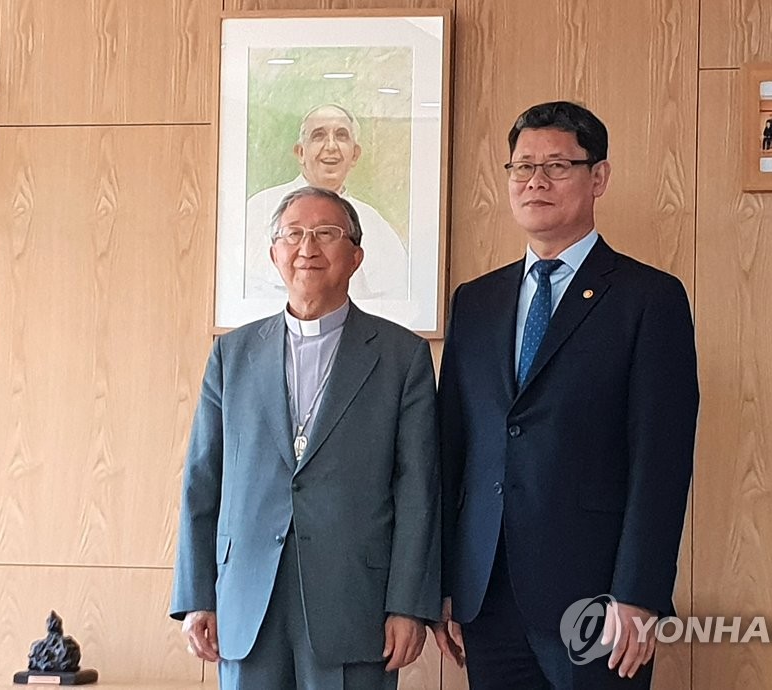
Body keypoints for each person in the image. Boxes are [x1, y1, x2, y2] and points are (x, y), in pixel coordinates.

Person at [433, 101, 699, 689]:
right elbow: (453, 452)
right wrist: (446, 582)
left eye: (556, 165)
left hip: (598, 600)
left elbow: (661, 460)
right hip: (487, 594)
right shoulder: (475, 302)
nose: (534, 181)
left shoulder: (648, 298)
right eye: (522, 166)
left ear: (598, 177)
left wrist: (640, 593)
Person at [171, 186, 440, 689]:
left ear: (356, 256)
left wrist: (409, 603)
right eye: (292, 234)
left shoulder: (402, 357)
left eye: (326, 234)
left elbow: (418, 491)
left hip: (356, 600)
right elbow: (202, 483)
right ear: (275, 254)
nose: (307, 247)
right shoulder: (232, 356)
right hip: (246, 600)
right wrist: (196, 595)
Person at [244, 104, 408, 300]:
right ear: (301, 152)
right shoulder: (259, 210)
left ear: (354, 154)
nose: (331, 146)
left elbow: (395, 300)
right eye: (318, 136)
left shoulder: (376, 225)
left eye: (341, 136)